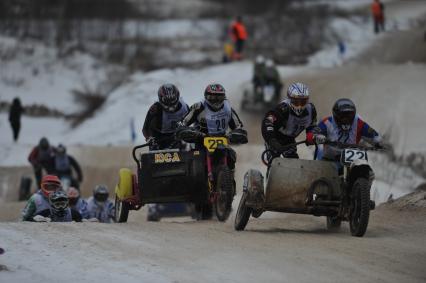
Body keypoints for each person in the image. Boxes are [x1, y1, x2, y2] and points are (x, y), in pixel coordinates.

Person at [179, 83, 247, 169]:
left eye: (219, 97)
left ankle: (229, 178)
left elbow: (238, 127)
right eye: (212, 97)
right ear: (206, 96)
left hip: (222, 141)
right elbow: (183, 123)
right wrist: (186, 131)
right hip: (200, 140)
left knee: (231, 156)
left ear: (224, 97)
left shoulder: (228, 109)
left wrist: (237, 134)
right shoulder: (198, 108)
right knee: (194, 159)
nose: (216, 101)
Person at [312, 98, 383, 161]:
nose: (346, 119)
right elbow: (312, 134)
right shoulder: (327, 123)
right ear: (335, 115)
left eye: (349, 115)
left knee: (365, 168)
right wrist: (316, 137)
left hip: (353, 161)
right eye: (342, 116)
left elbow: (375, 136)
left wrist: (380, 143)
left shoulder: (359, 123)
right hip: (330, 161)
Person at [261, 82, 318, 162]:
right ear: (290, 99)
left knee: (294, 164)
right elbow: (267, 122)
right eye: (296, 102)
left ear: (307, 100)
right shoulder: (282, 109)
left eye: (303, 102)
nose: (299, 106)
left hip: (290, 140)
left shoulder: (311, 110)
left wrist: (312, 135)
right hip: (275, 138)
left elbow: (312, 126)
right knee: (273, 163)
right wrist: (272, 141)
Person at [142, 84, 190, 150]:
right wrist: (149, 139)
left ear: (177, 97)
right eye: (166, 100)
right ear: (160, 98)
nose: (170, 104)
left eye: (173, 99)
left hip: (176, 138)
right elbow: (145, 128)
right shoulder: (155, 108)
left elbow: (190, 125)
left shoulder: (185, 108)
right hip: (158, 139)